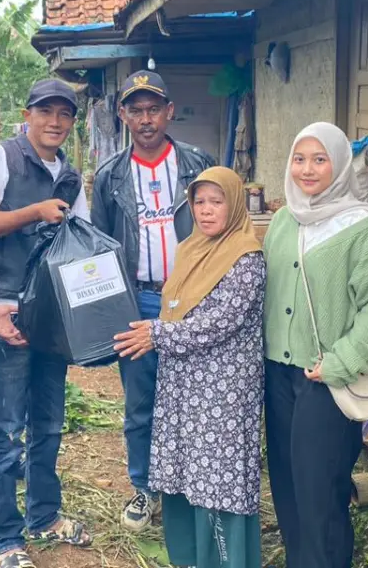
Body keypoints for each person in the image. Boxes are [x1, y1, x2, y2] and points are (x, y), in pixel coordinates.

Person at [0, 79, 93, 568]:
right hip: (6, 311)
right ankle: (7, 539)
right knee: (5, 431)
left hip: (51, 316)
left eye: (64, 114)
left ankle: (44, 515)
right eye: (45, 111)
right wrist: (33, 212)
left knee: (49, 424)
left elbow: (81, 241)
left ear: (73, 121)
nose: (55, 122)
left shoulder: (71, 177)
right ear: (27, 115)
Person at [262, 122, 368, 568]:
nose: (307, 169)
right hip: (278, 373)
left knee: (320, 490)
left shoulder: (363, 227)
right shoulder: (283, 220)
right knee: (286, 484)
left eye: (319, 160)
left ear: (340, 165)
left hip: (326, 378)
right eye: (299, 159)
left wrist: (341, 362)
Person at [113, 167, 265, 568]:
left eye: (217, 202)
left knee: (217, 478)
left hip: (223, 391)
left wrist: (157, 334)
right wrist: (160, 333)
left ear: (235, 205)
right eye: (199, 202)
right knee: (184, 471)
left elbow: (219, 322)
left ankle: (224, 560)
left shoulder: (245, 257)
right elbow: (177, 308)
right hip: (182, 385)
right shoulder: (189, 249)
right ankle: (190, 558)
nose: (207, 210)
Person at [90, 70, 216, 530]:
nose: (146, 119)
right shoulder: (110, 177)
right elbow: (101, 248)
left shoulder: (198, 165)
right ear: (122, 115)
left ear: (169, 112)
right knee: (141, 403)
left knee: (196, 398)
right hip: (139, 301)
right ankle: (145, 488)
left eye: (153, 109)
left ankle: (194, 487)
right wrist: (112, 311)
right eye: (136, 110)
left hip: (192, 299)